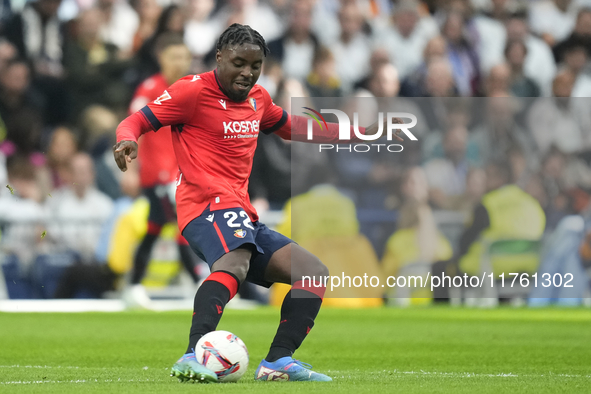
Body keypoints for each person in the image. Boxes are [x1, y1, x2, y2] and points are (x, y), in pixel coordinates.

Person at [113, 23, 401, 383]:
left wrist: (352, 132)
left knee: (313, 273)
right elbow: (137, 120)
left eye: (255, 66)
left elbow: (291, 126)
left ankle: (277, 361)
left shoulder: (258, 99)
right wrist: (127, 139)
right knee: (234, 262)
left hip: (241, 212)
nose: (246, 73)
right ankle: (192, 354)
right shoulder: (191, 91)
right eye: (238, 63)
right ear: (219, 57)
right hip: (202, 206)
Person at [124, 33, 200, 308]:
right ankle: (198, 281)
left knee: (155, 228)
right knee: (183, 224)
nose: (180, 62)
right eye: (174, 57)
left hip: (182, 172)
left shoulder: (192, 87)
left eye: (184, 57)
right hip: (157, 174)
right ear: (161, 59)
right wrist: (131, 170)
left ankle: (133, 285)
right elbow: (134, 124)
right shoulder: (150, 88)